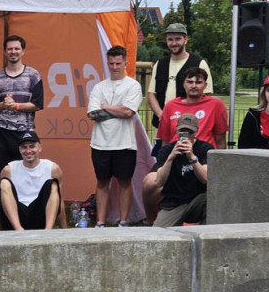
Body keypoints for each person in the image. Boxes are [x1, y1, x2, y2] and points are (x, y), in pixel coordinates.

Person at [143, 66, 227, 224]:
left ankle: (206, 229)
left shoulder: (216, 104)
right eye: (190, 81)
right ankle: (151, 220)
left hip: (203, 157)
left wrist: (215, 164)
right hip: (175, 153)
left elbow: (221, 140)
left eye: (198, 82)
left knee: (213, 193)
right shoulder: (171, 105)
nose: (194, 85)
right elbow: (166, 140)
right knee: (149, 183)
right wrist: (169, 157)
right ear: (183, 84)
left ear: (205, 85)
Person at [87, 45, 143, 227]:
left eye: (118, 63)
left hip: (125, 144)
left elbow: (128, 112)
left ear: (125, 63)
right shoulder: (98, 87)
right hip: (100, 144)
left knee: (125, 182)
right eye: (111, 63)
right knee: (102, 181)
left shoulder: (133, 86)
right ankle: (100, 222)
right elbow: (93, 115)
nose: (114, 67)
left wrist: (105, 106)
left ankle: (124, 221)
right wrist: (118, 109)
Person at [146, 23, 212, 154]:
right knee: (163, 163)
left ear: (185, 39)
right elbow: (151, 94)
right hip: (163, 128)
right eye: (170, 39)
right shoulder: (160, 64)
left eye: (177, 39)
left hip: (189, 128)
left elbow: (206, 97)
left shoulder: (199, 63)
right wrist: (162, 115)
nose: (174, 43)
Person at [0, 35, 43, 181]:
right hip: (1, 132)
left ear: (23, 51)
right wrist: (3, 105)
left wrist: (16, 106)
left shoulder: (33, 75)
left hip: (25, 133)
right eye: (10, 49)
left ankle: (23, 204)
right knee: (2, 176)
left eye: (16, 48)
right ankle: (4, 204)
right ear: (5, 52)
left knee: (25, 175)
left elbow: (37, 104)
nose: (13, 52)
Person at [152, 113, 211, 227]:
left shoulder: (205, 148)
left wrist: (192, 158)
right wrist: (170, 158)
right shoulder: (166, 150)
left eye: (190, 132)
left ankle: (206, 232)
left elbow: (205, 179)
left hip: (197, 200)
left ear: (196, 131)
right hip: (174, 203)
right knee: (159, 234)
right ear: (177, 131)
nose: (187, 136)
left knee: (213, 198)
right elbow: (159, 182)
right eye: (183, 132)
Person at [0, 132, 63, 231]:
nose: (28, 151)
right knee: (4, 183)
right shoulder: (9, 169)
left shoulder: (52, 168)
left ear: (40, 148)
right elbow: (2, 202)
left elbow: (59, 201)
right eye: (24, 147)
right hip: (16, 217)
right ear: (20, 150)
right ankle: (19, 230)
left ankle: (48, 232)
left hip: (39, 216)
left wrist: (65, 229)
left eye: (32, 147)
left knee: (53, 184)